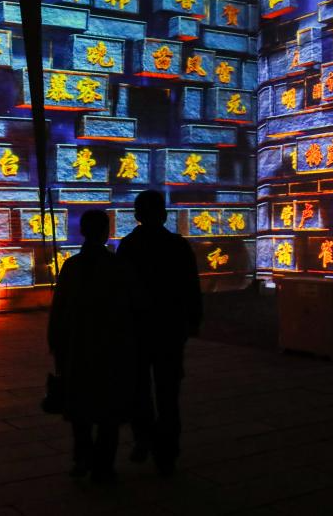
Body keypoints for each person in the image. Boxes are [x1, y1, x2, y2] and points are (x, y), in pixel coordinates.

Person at [116, 189, 202, 477]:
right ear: (164, 215)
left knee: (139, 389)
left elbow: (122, 292)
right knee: (168, 393)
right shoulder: (177, 245)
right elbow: (191, 287)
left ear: (137, 215)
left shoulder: (128, 246)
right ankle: (167, 453)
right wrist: (194, 321)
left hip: (138, 330)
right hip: (170, 329)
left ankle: (144, 438)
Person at [47, 209, 136, 484]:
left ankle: (82, 457)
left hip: (78, 347)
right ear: (106, 232)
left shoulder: (72, 267)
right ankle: (104, 466)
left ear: (83, 231)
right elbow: (128, 310)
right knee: (108, 410)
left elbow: (59, 311)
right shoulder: (117, 266)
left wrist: (57, 345)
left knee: (80, 409)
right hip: (111, 348)